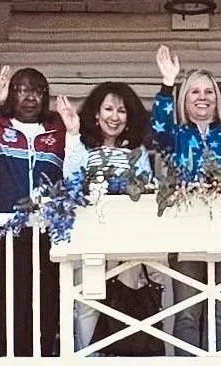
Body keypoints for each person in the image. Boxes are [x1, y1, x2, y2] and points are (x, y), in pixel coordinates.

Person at [151, 45, 221, 355]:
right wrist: (167, 85)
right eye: (195, 91)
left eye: (209, 92)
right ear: (184, 99)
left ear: (216, 99)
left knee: (219, 310)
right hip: (184, 228)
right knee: (187, 311)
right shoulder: (176, 136)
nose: (202, 97)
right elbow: (159, 129)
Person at [0, 64, 67, 357]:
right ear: (11, 94)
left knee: (47, 303)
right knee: (9, 303)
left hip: (48, 232)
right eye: (22, 89)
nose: (30, 97)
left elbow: (74, 169)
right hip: (5, 233)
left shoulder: (57, 131)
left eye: (37, 91)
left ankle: (42, 359)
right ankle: (5, 359)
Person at [53, 84, 155, 354]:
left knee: (125, 304)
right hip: (90, 240)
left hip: (126, 244)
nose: (115, 116)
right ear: (97, 114)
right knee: (87, 306)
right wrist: (72, 133)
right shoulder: (84, 147)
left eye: (122, 110)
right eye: (108, 109)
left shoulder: (136, 152)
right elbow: (71, 179)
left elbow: (145, 189)